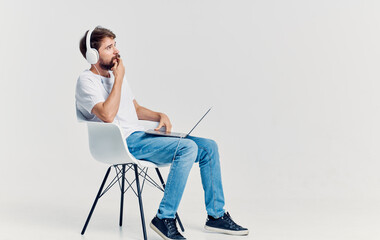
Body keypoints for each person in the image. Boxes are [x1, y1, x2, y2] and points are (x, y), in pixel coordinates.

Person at [76, 26, 249, 240]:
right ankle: (164, 218)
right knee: (187, 148)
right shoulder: (87, 82)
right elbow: (108, 115)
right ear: (93, 54)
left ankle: (216, 216)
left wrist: (159, 115)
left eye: (115, 45)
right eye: (109, 47)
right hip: (122, 143)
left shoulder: (116, 75)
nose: (116, 51)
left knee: (209, 147)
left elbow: (134, 109)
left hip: (140, 137)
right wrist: (119, 79)